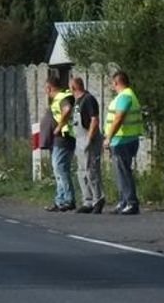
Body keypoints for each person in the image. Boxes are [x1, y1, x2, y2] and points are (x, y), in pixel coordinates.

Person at [103, 70, 143, 215]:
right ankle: (124, 201)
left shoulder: (125, 96)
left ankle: (131, 202)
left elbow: (119, 118)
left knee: (123, 172)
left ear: (117, 82)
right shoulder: (127, 95)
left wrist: (109, 137)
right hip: (123, 139)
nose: (113, 86)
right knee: (120, 172)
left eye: (113, 83)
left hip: (123, 140)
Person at [70, 77, 105, 214]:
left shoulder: (88, 99)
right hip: (79, 138)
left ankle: (98, 198)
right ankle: (88, 201)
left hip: (87, 138)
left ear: (74, 87)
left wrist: (89, 139)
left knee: (91, 170)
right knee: (81, 172)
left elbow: (94, 120)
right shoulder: (77, 102)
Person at [45, 73, 76, 211]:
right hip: (64, 137)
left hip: (63, 137)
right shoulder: (63, 96)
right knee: (59, 170)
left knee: (60, 169)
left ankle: (68, 199)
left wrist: (58, 126)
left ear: (49, 88)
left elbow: (67, 109)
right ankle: (60, 200)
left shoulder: (61, 98)